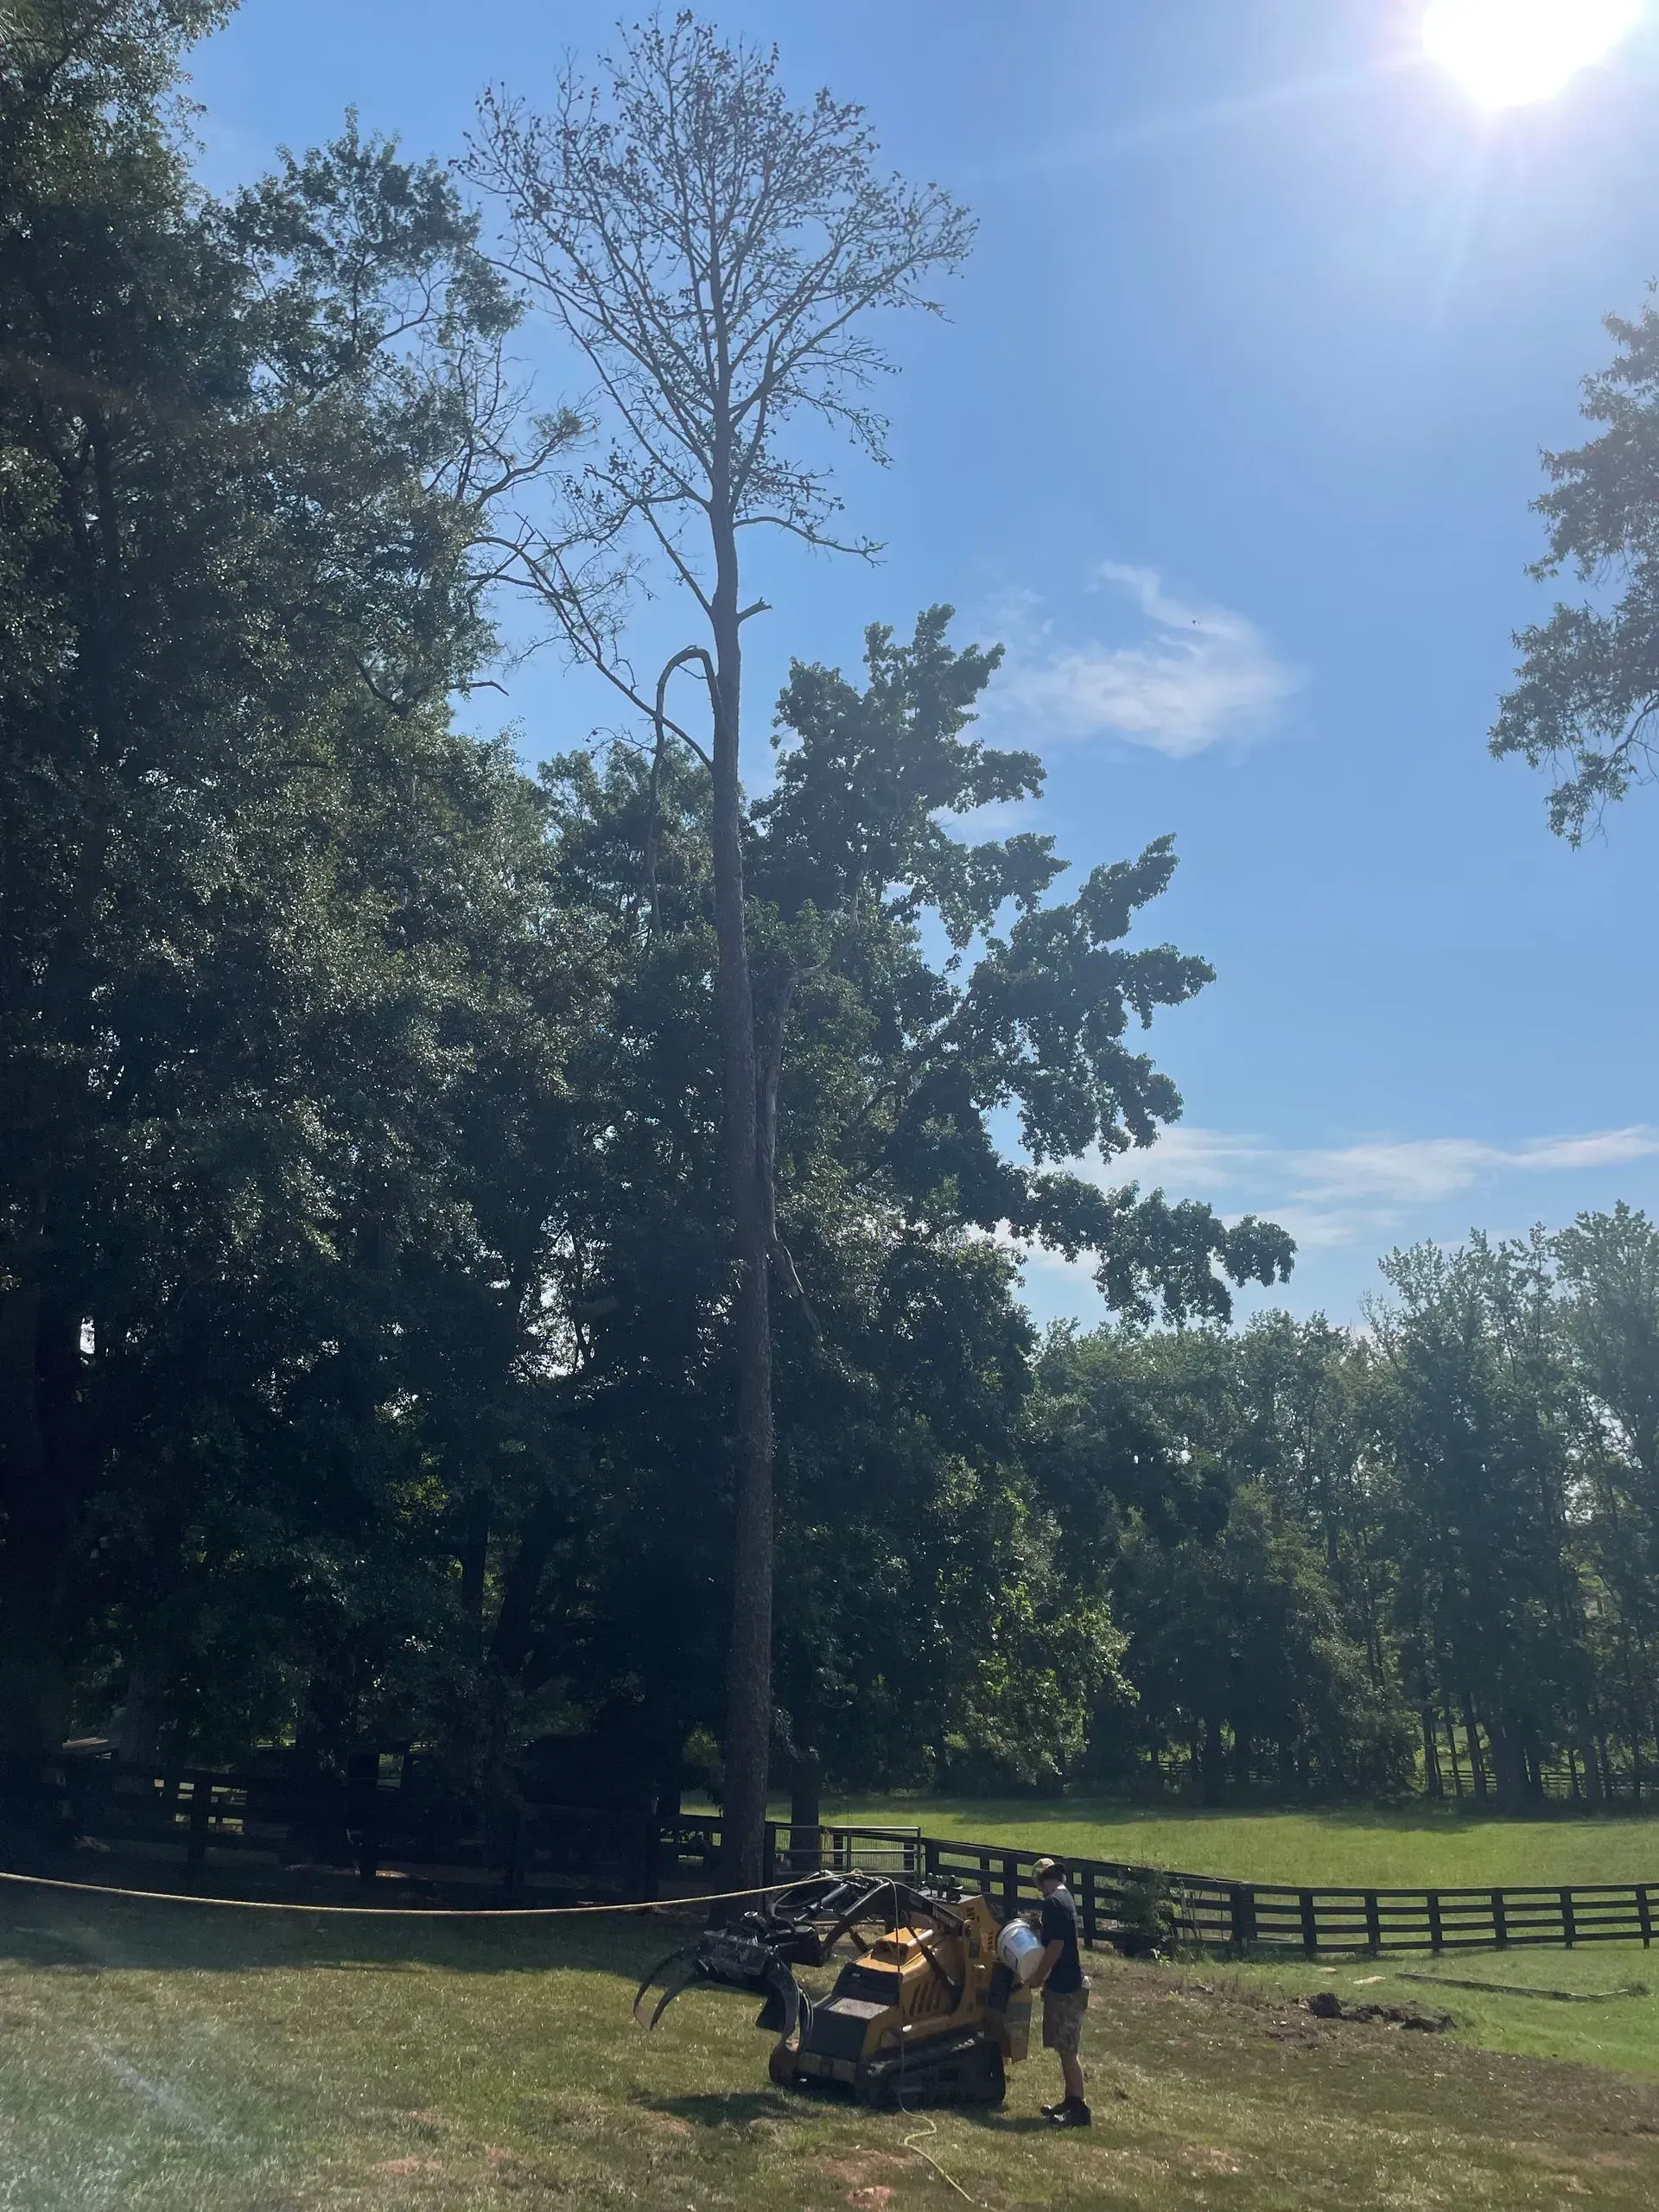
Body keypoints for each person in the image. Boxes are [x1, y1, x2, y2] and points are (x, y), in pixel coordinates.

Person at [1027, 1856, 1090, 2126]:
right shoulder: (1065, 1898)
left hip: (1067, 1987)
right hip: (1062, 1984)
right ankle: (1070, 2101)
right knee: (1064, 2049)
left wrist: (1039, 1977)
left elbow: (1056, 1946)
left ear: (1042, 1880)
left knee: (1068, 2051)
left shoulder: (1053, 1903)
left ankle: (1079, 2110)